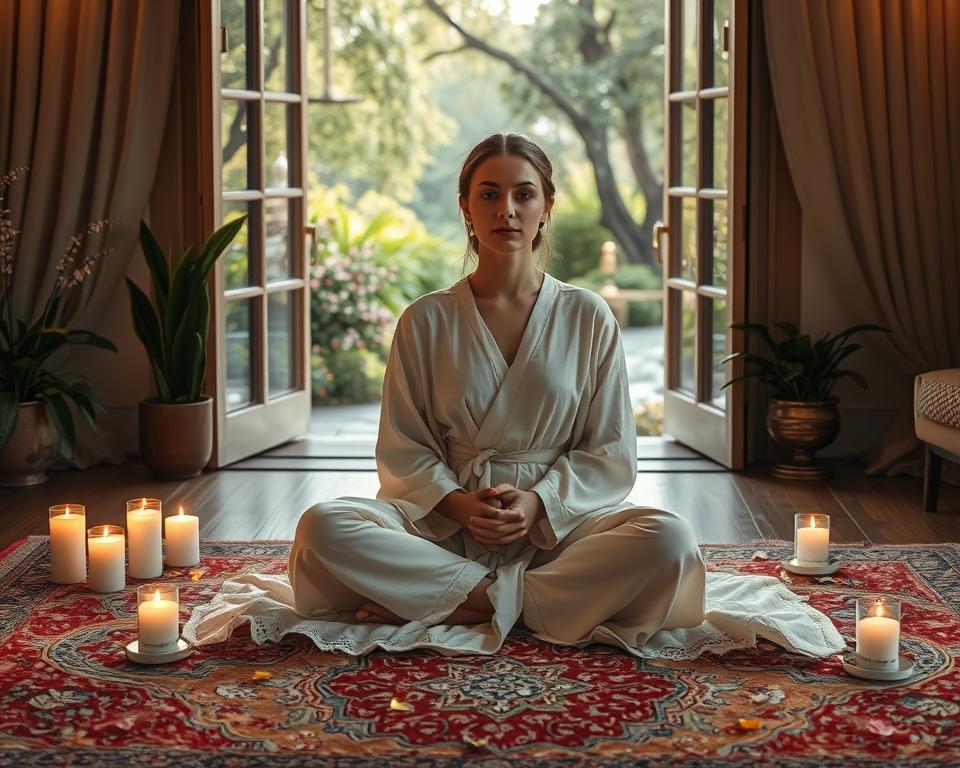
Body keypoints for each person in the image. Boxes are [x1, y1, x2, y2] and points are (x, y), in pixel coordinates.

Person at [184, 134, 845, 661]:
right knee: (322, 528)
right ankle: (507, 600)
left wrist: (537, 503)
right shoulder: (426, 320)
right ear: (467, 208)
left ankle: (460, 603)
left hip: (558, 531)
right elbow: (404, 448)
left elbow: (610, 452)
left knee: (669, 541)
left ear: (545, 207)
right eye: (490, 194)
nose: (507, 210)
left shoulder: (588, 317)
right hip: (442, 529)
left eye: (523, 194)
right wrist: (457, 503)